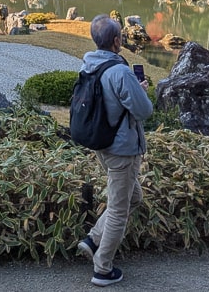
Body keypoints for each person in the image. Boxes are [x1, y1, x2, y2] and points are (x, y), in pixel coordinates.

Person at [75, 14, 154, 287]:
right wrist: (140, 90)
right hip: (122, 150)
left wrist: (133, 90)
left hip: (102, 144)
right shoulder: (119, 71)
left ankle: (93, 239)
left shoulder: (89, 65)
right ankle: (103, 268)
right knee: (120, 209)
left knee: (133, 199)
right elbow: (144, 110)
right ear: (117, 40)